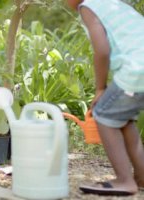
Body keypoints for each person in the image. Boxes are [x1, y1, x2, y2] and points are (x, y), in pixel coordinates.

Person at [67, 0, 144, 196]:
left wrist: (100, 88)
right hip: (138, 65)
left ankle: (124, 181)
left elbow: (102, 50)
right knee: (122, 118)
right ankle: (141, 177)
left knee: (103, 115)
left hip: (137, 69)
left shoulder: (88, 7)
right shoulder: (114, 4)